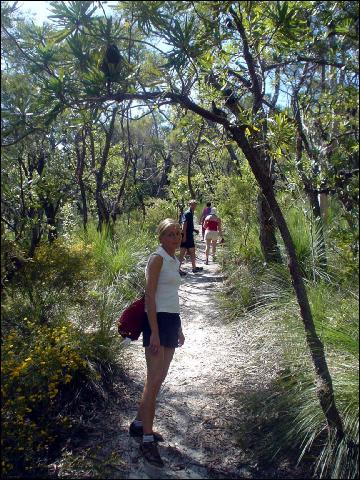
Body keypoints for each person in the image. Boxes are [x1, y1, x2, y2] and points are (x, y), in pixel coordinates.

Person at [129, 219, 185, 468]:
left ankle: (139, 425)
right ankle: (147, 439)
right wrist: (153, 332)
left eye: (178, 233)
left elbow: (172, 296)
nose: (175, 237)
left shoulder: (174, 259)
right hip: (157, 322)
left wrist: (179, 327)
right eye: (170, 234)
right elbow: (150, 296)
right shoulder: (157, 258)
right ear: (161, 237)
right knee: (153, 380)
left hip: (171, 320)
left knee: (159, 377)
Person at [178, 199, 203, 275]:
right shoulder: (188, 213)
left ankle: (193, 268)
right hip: (187, 236)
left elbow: (188, 225)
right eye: (192, 204)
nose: (194, 206)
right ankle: (180, 269)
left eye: (195, 205)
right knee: (185, 253)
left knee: (189, 252)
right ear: (189, 205)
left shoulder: (190, 213)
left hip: (188, 235)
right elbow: (184, 225)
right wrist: (184, 236)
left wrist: (194, 230)